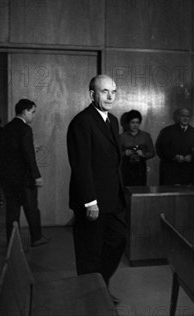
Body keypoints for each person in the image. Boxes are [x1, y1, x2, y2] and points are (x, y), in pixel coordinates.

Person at [67, 75, 127, 289]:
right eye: (105, 92)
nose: (110, 96)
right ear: (92, 94)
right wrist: (90, 202)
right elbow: (81, 166)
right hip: (92, 201)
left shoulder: (112, 120)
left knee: (118, 240)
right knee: (89, 254)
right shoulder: (82, 122)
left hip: (111, 198)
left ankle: (100, 288)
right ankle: (90, 300)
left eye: (114, 92)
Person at [0, 99, 48, 247]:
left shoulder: (6, 128)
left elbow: (11, 151)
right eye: (32, 112)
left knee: (12, 211)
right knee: (32, 209)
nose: (33, 116)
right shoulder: (25, 129)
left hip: (9, 177)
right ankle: (36, 237)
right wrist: (36, 175)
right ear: (25, 111)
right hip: (25, 178)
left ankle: (13, 242)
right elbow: (27, 154)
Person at [155, 108, 194, 185]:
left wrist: (192, 156)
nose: (185, 118)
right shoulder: (167, 131)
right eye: (183, 116)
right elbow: (161, 148)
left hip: (187, 171)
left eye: (188, 116)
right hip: (170, 170)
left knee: (186, 195)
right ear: (178, 117)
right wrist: (174, 156)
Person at [118, 110, 155, 186]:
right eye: (132, 122)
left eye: (137, 122)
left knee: (141, 188)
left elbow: (152, 153)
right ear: (128, 123)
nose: (135, 125)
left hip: (140, 168)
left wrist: (143, 154)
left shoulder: (145, 136)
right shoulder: (121, 137)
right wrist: (124, 153)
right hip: (126, 168)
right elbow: (115, 154)